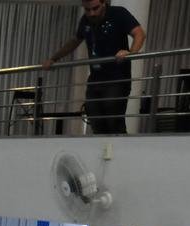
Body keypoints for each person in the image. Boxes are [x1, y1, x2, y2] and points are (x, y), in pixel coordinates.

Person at [43, 0, 145, 135]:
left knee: (113, 118)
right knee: (94, 116)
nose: (92, 13)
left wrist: (131, 52)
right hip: (96, 78)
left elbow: (139, 34)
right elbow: (74, 41)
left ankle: (121, 151)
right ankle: (102, 151)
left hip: (117, 77)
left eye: (95, 8)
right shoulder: (85, 20)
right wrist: (53, 58)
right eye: (87, 10)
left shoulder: (118, 13)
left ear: (104, 3)